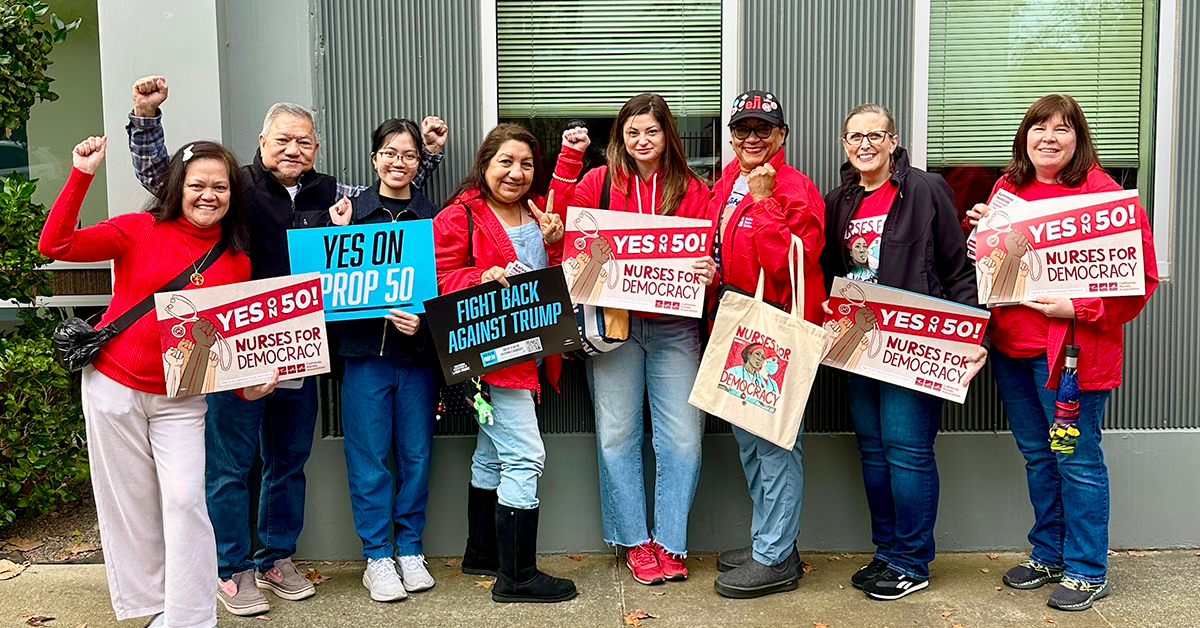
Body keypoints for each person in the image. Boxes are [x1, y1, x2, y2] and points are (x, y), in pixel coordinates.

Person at [125, 75, 447, 616]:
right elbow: (167, 179)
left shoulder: (333, 192)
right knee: (232, 463)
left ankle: (276, 557)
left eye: (304, 141)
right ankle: (233, 569)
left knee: (288, 459)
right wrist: (146, 119)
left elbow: (396, 192)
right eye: (283, 140)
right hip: (234, 340)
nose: (293, 150)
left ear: (316, 148)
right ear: (261, 141)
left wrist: (429, 154)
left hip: (302, 343)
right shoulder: (235, 185)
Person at [38, 136, 276, 628]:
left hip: (181, 400)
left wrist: (250, 385)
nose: (208, 195)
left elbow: (225, 352)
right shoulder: (138, 229)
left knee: (187, 500)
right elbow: (55, 245)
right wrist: (81, 173)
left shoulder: (236, 261)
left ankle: (192, 618)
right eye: (197, 185)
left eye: (220, 187)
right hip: (114, 386)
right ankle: (154, 609)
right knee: (130, 505)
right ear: (177, 187)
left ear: (234, 194)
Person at [965, 94, 1158, 612]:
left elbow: (1140, 278)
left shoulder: (1106, 196)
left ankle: (1088, 569)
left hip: (1071, 359)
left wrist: (1079, 306)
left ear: (1079, 138)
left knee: (1076, 458)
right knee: (1037, 456)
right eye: (1039, 127)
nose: (1048, 137)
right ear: (1025, 136)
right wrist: (982, 237)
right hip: (1012, 350)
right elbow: (999, 269)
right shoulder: (1009, 188)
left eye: (1062, 129)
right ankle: (1049, 552)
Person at [819, 103, 984, 600]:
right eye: (854, 137)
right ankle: (888, 551)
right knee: (873, 453)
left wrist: (974, 336)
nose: (864, 144)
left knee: (908, 453)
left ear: (893, 141)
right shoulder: (839, 200)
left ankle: (912, 561)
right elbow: (833, 271)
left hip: (915, 344)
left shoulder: (926, 190)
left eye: (875, 135)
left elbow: (957, 269)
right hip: (858, 346)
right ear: (845, 146)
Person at [550, 93, 715, 586]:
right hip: (612, 326)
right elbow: (563, 238)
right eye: (632, 132)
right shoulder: (597, 183)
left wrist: (711, 271)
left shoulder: (693, 188)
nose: (642, 141)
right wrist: (566, 171)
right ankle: (634, 541)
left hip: (675, 327)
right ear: (620, 138)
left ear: (667, 136)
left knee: (683, 439)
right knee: (619, 436)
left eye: (652, 131)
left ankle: (670, 540)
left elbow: (709, 251)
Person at [433, 123, 577, 603]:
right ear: (485, 164)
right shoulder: (461, 216)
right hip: (489, 359)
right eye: (506, 162)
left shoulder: (540, 215)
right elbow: (436, 280)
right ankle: (517, 576)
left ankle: (482, 552)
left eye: (527, 164)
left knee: (493, 453)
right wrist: (482, 275)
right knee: (525, 456)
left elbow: (558, 282)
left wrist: (555, 241)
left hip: (531, 354)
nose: (516, 173)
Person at [701, 91, 826, 599]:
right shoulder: (726, 181)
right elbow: (721, 250)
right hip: (736, 323)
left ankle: (775, 558)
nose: (752, 138)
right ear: (731, 135)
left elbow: (785, 263)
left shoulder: (795, 188)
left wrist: (765, 201)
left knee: (774, 444)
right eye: (743, 129)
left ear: (781, 136)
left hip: (774, 328)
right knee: (752, 444)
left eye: (763, 129)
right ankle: (772, 542)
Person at [324, 119, 443, 602]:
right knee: (368, 458)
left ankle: (410, 548)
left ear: (420, 163)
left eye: (409, 155)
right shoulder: (350, 215)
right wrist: (337, 235)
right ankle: (377, 556)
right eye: (390, 153)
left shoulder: (434, 218)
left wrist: (424, 325)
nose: (399, 162)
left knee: (416, 456)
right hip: (364, 356)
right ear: (374, 158)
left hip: (415, 358)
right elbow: (324, 286)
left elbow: (448, 290)